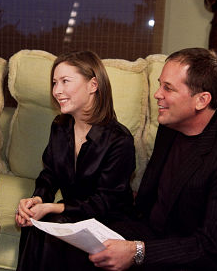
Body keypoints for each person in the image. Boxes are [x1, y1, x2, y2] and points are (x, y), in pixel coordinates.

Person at [89, 48, 217, 270]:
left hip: (208, 258)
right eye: (160, 84)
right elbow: (152, 198)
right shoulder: (171, 124)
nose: (157, 94)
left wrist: (137, 252)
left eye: (168, 88)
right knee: (80, 246)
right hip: (160, 234)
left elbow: (214, 248)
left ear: (201, 100)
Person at [15, 50, 136, 271]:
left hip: (107, 221)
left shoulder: (120, 140)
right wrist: (37, 201)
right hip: (70, 216)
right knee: (35, 224)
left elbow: (104, 203)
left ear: (93, 85)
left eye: (65, 81)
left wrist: (54, 208)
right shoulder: (60, 127)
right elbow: (49, 175)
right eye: (54, 82)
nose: (57, 91)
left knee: (55, 228)